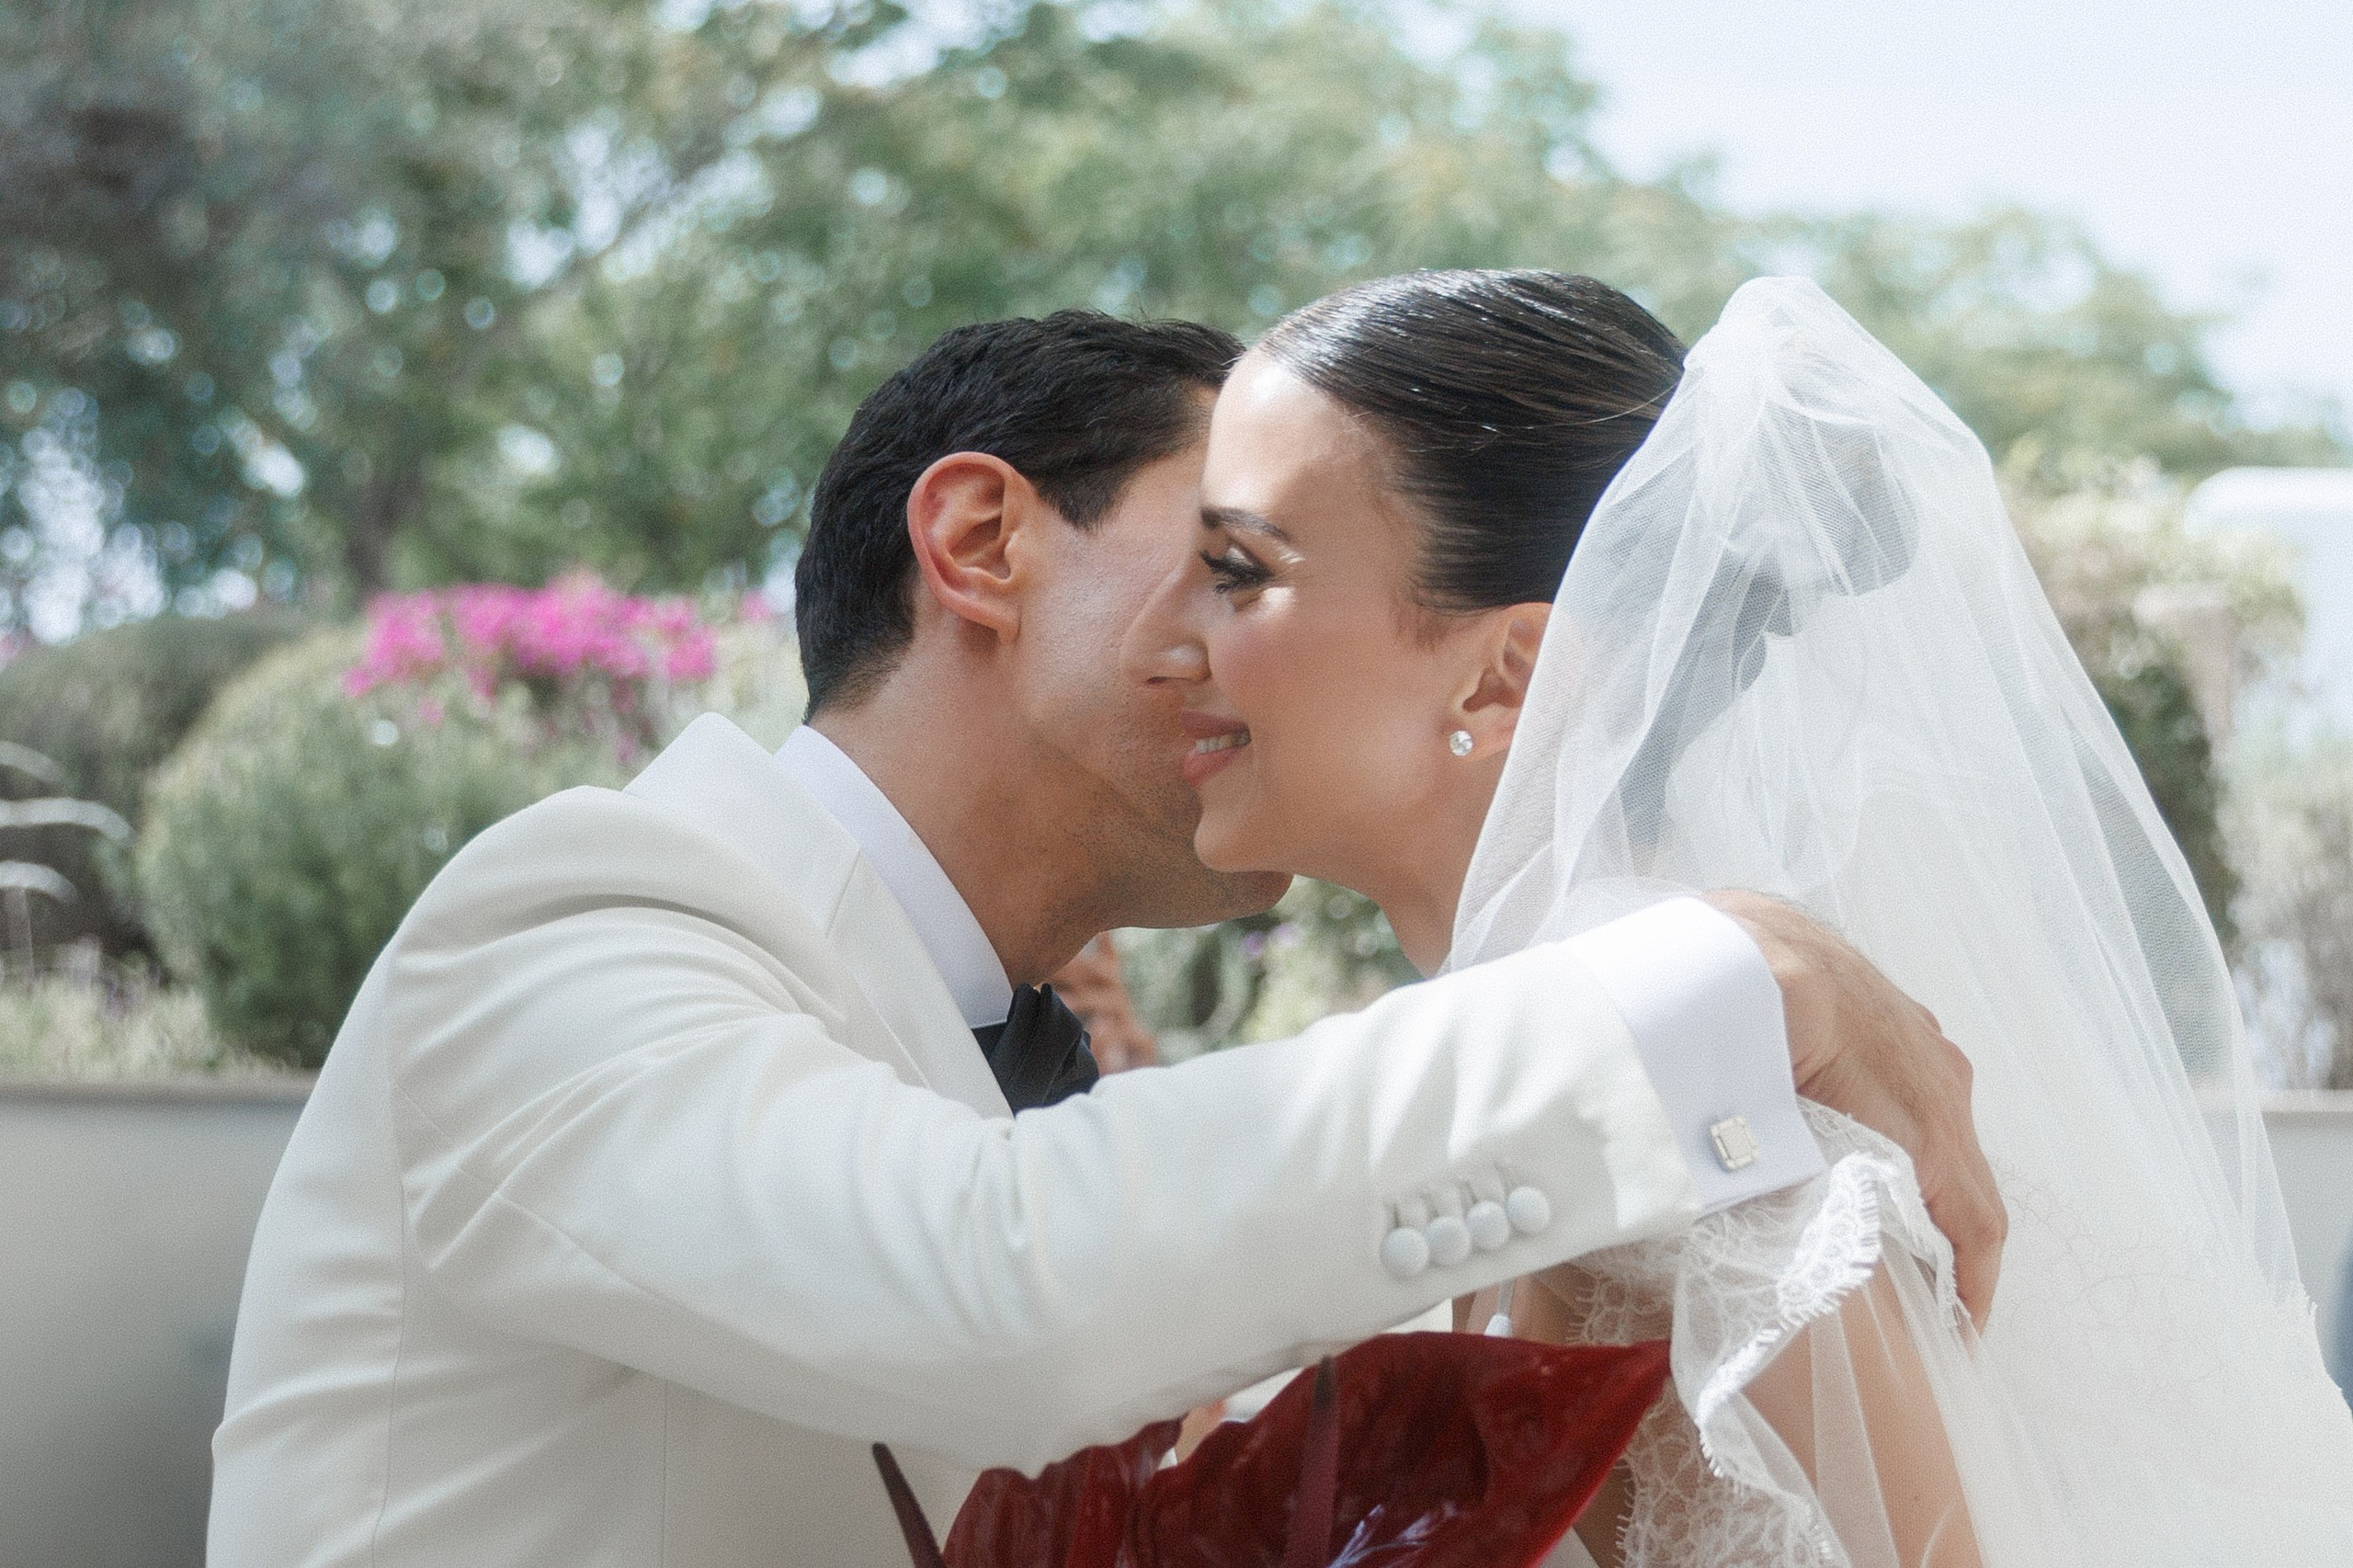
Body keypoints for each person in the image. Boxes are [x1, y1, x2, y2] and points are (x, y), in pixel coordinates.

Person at [206, 312, 1997, 1567]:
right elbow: (989, 1285)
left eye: (1260, 572)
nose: (1235, 642)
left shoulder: (966, 1052)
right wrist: (1695, 991)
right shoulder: (575, 914)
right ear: (981, 541)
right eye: (1212, 558)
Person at [1122, 269, 2353, 1565]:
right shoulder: (1550, 1069)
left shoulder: (1683, 1146)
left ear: (1504, 674)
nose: (1164, 636)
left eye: (1236, 570)